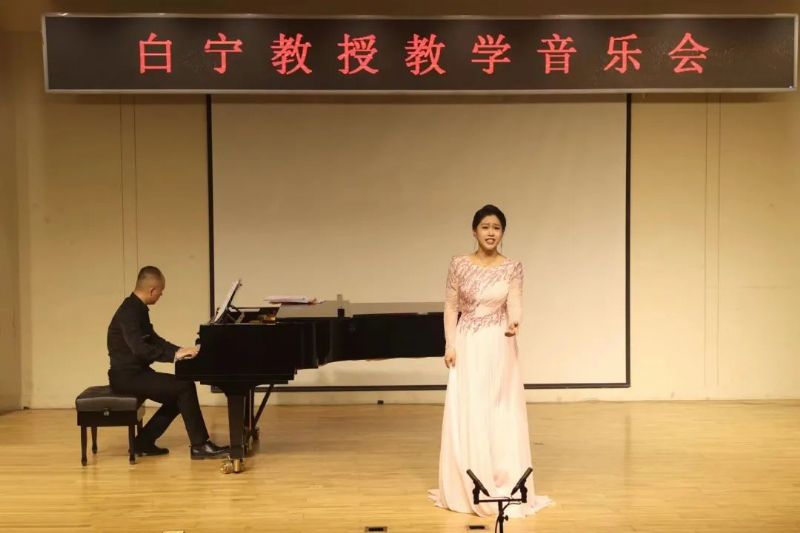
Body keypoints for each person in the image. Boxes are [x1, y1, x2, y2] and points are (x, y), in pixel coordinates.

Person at [430, 204, 553, 517]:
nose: (490, 233)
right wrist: (450, 344)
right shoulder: (459, 264)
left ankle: (501, 476)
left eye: (496, 228)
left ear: (502, 233)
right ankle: (468, 480)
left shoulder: (512, 267)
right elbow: (450, 306)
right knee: (470, 406)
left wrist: (514, 322)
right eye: (485, 227)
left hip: (499, 343)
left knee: (499, 408)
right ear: (474, 231)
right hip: (468, 341)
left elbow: (515, 301)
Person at [107, 266, 229, 459]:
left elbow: (155, 340)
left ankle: (143, 442)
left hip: (137, 373)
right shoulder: (129, 312)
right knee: (184, 388)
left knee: (179, 395)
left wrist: (179, 350)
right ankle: (200, 445)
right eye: (161, 291)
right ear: (152, 290)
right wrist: (175, 356)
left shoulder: (137, 308)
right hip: (126, 377)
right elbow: (141, 350)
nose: (161, 295)